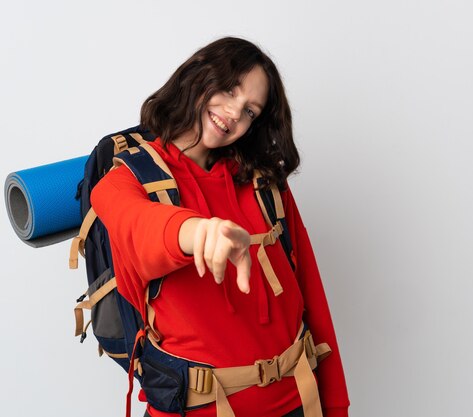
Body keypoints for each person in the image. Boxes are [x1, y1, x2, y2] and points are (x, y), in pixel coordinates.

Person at [91, 37, 350, 417]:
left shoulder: (262, 183)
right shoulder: (122, 182)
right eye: (228, 90)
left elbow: (311, 295)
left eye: (250, 110)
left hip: (299, 403)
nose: (233, 112)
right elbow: (139, 228)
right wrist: (197, 232)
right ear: (197, 76)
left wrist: (336, 406)